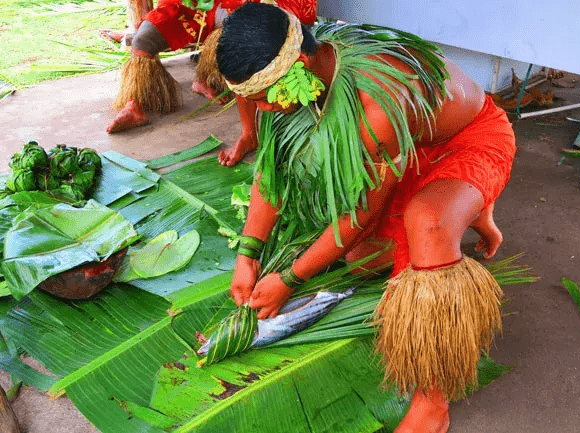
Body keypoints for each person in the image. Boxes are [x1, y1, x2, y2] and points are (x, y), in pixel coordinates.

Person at [218, 3, 517, 432]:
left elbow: (360, 212)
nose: (261, 110)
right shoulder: (299, 64)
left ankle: (433, 402)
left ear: (298, 66)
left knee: (427, 222)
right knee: (363, 258)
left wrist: (290, 280)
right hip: (406, 151)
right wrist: (247, 255)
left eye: (263, 97)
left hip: (468, 139)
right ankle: (469, 211)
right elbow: (272, 171)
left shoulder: (378, 99)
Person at [106, 0, 317, 137]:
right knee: (143, 40)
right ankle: (135, 104)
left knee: (231, 36)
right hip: (192, 7)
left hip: (243, 6)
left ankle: (207, 80)